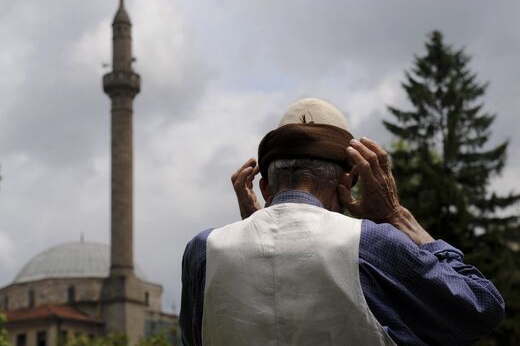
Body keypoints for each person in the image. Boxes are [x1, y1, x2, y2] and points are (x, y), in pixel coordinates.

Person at [179, 98, 504, 346]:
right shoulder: (370, 245)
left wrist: (258, 234)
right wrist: (397, 216)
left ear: (265, 187)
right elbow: (479, 308)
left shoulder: (203, 252)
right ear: (348, 181)